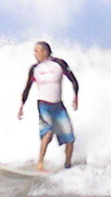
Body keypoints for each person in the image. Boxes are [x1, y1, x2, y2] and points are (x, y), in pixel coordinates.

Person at [17, 41, 79, 171]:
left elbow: (74, 80)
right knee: (48, 133)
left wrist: (75, 97)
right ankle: (40, 164)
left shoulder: (59, 64)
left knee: (70, 139)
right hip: (43, 105)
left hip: (58, 107)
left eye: (36, 51)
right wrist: (22, 106)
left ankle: (67, 165)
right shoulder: (34, 69)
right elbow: (27, 88)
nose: (34, 54)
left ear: (44, 51)